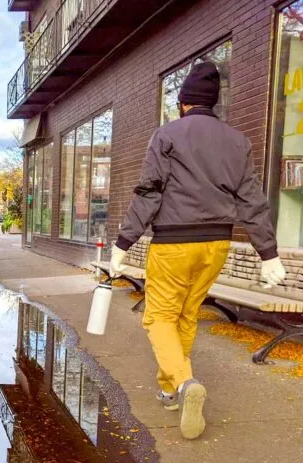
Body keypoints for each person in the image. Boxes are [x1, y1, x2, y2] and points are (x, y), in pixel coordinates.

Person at [110, 62, 286, 440]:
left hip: (174, 243)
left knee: (158, 318)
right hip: (216, 244)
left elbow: (149, 191)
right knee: (186, 315)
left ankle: (186, 383)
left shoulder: (166, 136)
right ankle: (170, 387)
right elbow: (252, 200)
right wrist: (267, 253)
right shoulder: (238, 141)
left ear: (183, 103)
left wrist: (124, 242)